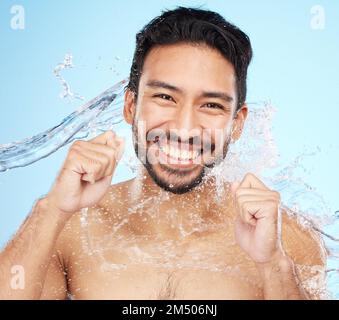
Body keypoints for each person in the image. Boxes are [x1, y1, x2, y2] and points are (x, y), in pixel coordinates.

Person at [0, 6, 326, 300]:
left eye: (211, 105)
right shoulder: (69, 230)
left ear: (237, 123)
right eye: (165, 98)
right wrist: (51, 209)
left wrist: (272, 265)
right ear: (131, 106)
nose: (184, 129)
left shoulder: (286, 244)